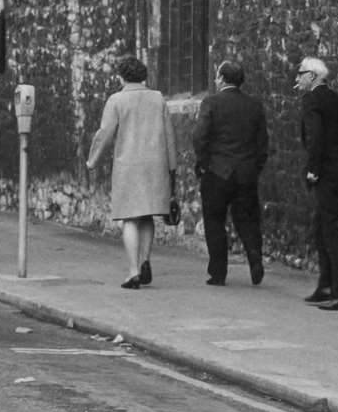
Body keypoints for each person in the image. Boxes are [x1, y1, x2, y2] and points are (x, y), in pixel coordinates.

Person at [87, 55, 178, 289]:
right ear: (144, 76)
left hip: (129, 167)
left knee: (130, 218)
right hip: (155, 165)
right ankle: (146, 260)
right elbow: (169, 136)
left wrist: (92, 161)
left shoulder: (116, 100)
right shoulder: (158, 98)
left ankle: (133, 271)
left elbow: (105, 133)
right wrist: (172, 167)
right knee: (147, 215)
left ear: (121, 77)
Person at [295, 56, 338, 312]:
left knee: (332, 230)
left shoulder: (312, 101)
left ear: (313, 76)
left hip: (327, 175)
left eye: (301, 73)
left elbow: (316, 137)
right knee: (321, 226)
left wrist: (313, 170)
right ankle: (326, 285)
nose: (297, 78)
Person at [192, 59, 269, 287]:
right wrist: (254, 168)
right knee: (247, 219)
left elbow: (199, 136)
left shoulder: (211, 103)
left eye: (217, 76)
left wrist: (204, 162)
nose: (216, 80)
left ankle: (218, 272)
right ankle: (255, 256)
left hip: (217, 171)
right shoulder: (254, 106)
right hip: (246, 172)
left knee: (214, 221)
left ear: (223, 79)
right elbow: (262, 143)